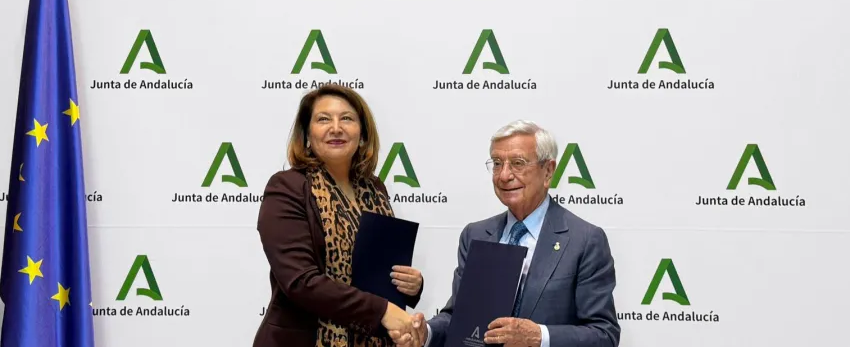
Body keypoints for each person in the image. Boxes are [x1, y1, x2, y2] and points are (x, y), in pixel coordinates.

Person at [391, 120, 620, 347]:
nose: (504, 175)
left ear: (548, 171)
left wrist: (539, 337)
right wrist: (426, 332)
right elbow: (459, 317)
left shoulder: (584, 240)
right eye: (497, 163)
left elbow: (604, 335)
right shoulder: (476, 235)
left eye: (518, 163)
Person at [253, 84, 425, 347]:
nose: (336, 128)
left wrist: (411, 284)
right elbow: (300, 281)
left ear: (362, 133)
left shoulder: (375, 189)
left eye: (347, 118)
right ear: (308, 134)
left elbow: (375, 269)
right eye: (323, 119)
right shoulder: (287, 187)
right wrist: (382, 311)